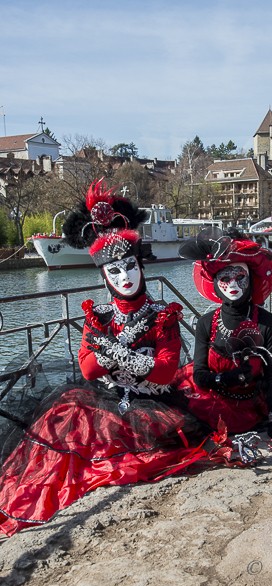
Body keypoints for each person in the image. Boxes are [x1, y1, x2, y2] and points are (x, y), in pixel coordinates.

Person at [0, 181, 240, 538]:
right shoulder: (97, 315)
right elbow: (87, 369)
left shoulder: (162, 315)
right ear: (104, 275)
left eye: (130, 266)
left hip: (152, 406)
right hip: (101, 401)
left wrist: (112, 351)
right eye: (114, 271)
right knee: (54, 451)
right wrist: (119, 355)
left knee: (139, 456)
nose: (125, 276)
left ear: (140, 266)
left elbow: (164, 373)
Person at [176, 228, 272, 443]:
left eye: (239, 276)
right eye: (225, 277)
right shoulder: (206, 323)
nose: (232, 284)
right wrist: (223, 379)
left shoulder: (267, 322)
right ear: (214, 282)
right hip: (210, 404)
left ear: (250, 278)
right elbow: (200, 376)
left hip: (250, 405)